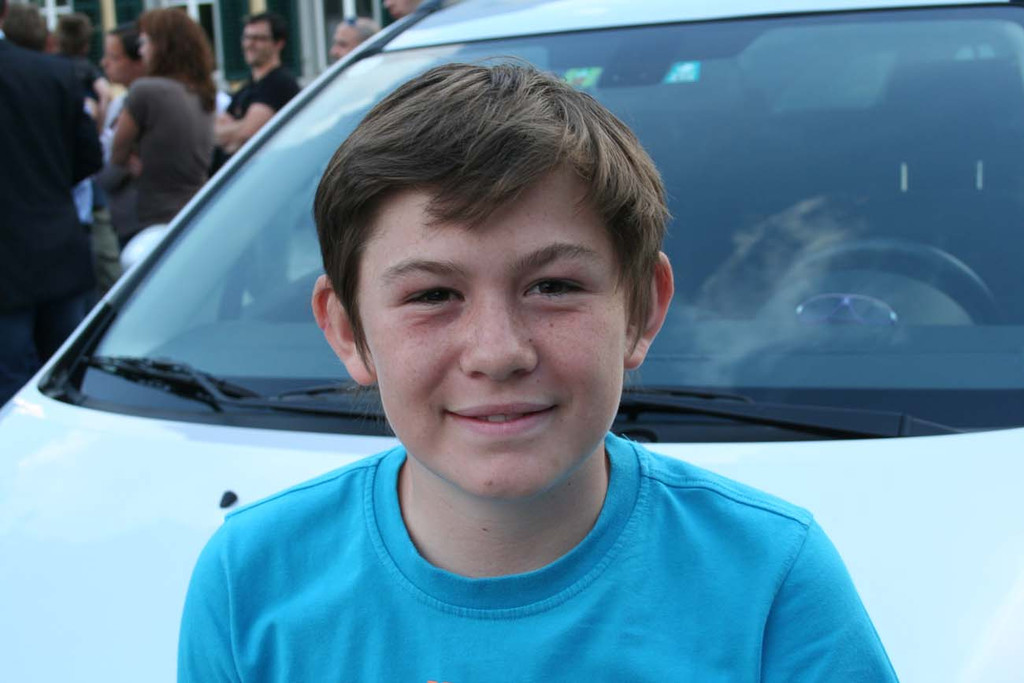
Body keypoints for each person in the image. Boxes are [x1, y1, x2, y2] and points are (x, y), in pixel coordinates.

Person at [178, 63, 898, 681]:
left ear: (642, 309)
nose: (497, 352)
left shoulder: (771, 581)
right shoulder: (251, 581)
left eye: (553, 286)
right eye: (433, 295)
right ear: (347, 330)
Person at [0, 0, 102, 403]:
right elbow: (89, 157)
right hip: (57, 246)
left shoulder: (52, 71)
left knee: (11, 397)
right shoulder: (52, 72)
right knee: (69, 389)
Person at [110, 8, 215, 232]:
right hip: (195, 211)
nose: (141, 51)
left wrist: (131, 157)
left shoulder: (146, 91)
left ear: (162, 46)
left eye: (144, 42)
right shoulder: (202, 92)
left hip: (154, 217)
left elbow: (117, 153)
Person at [213, 11, 299, 169]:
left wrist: (237, 129)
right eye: (246, 37)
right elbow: (215, 131)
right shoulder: (247, 86)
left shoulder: (279, 82)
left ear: (278, 43)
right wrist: (240, 128)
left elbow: (247, 134)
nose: (249, 44)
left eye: (258, 38)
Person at [96, 22, 146, 247]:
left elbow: (114, 167)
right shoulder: (118, 103)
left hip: (140, 220)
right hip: (123, 219)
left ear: (138, 61)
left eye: (114, 57)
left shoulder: (143, 104)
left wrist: (118, 164)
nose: (104, 63)